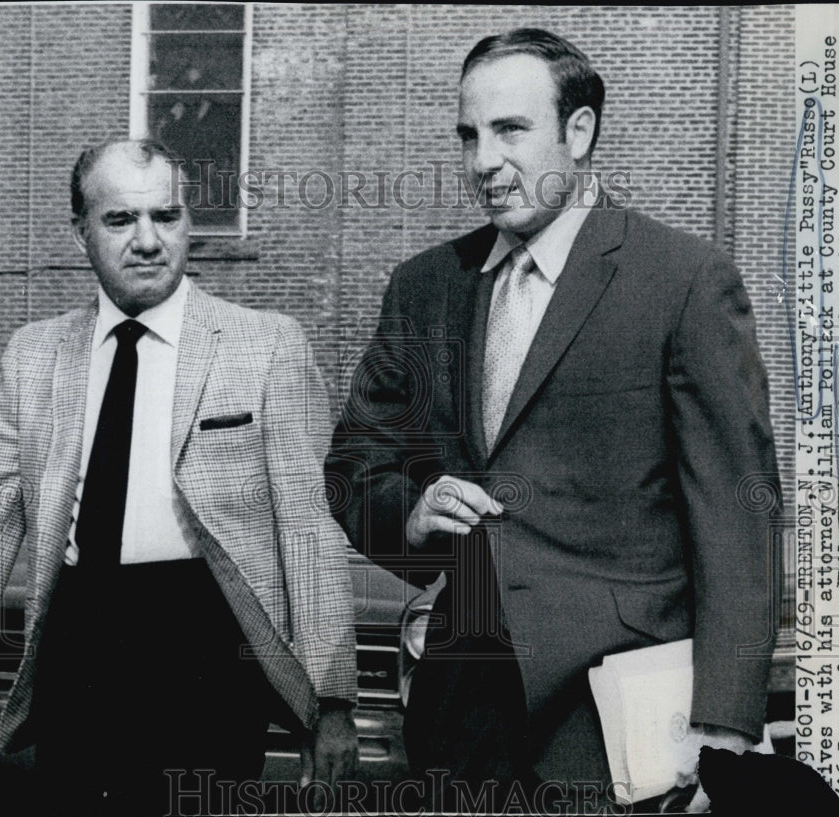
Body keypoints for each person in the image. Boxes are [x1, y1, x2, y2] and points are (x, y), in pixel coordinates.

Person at [326, 28, 781, 813]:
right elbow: (354, 468)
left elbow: (739, 518)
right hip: (455, 715)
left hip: (616, 719)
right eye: (469, 134)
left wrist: (727, 723)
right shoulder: (425, 287)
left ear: (579, 131)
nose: (483, 162)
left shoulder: (682, 281)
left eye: (510, 130)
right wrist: (415, 507)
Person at [0, 139, 358, 816]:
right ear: (80, 229)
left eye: (165, 217)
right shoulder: (33, 357)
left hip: (207, 658)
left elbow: (310, 537)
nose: (147, 240)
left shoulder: (266, 345)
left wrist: (332, 703)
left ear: (188, 222)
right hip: (76, 654)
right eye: (119, 221)